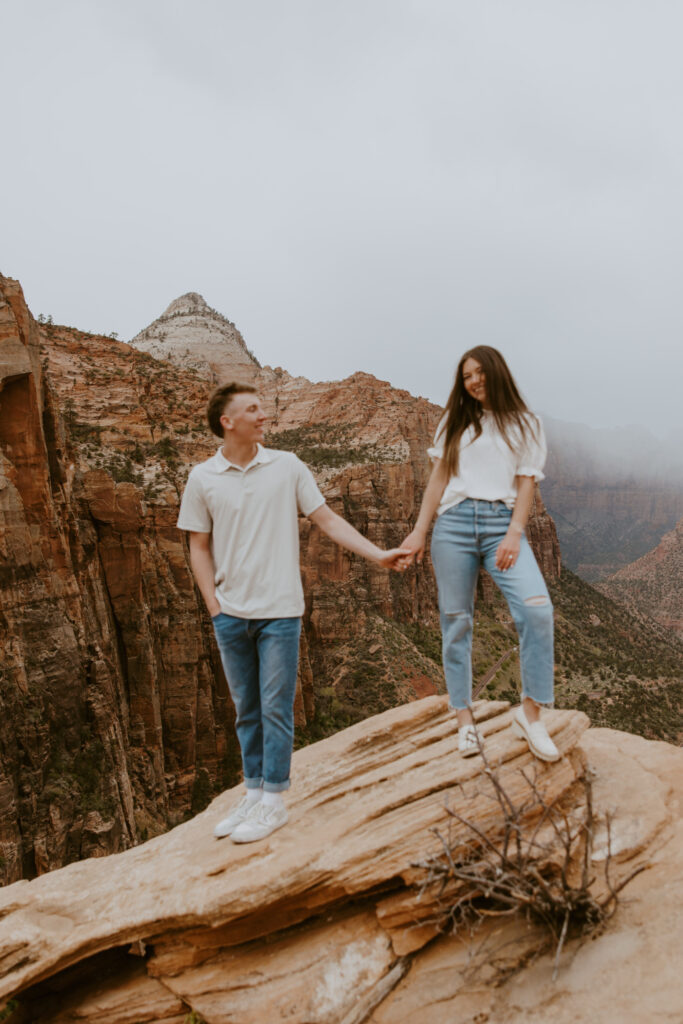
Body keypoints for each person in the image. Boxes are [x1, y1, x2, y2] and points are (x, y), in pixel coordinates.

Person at [177, 382, 409, 844]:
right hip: (231, 613)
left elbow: (327, 519)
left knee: (276, 708)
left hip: (281, 611)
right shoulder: (203, 477)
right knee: (246, 710)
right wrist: (212, 604)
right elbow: (197, 544)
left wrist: (377, 553)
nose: (264, 415)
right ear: (228, 421)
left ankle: (274, 802)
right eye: (254, 409)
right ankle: (254, 790)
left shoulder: (287, 466)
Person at [401, 346, 559, 762]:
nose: (474, 381)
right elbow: (438, 480)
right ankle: (464, 721)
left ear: (496, 372)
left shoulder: (527, 423)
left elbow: (527, 484)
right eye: (467, 375)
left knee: (537, 610)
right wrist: (419, 531)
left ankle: (531, 715)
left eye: (480, 373)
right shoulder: (454, 421)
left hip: (500, 526)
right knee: (456, 623)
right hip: (452, 526)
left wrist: (514, 533)